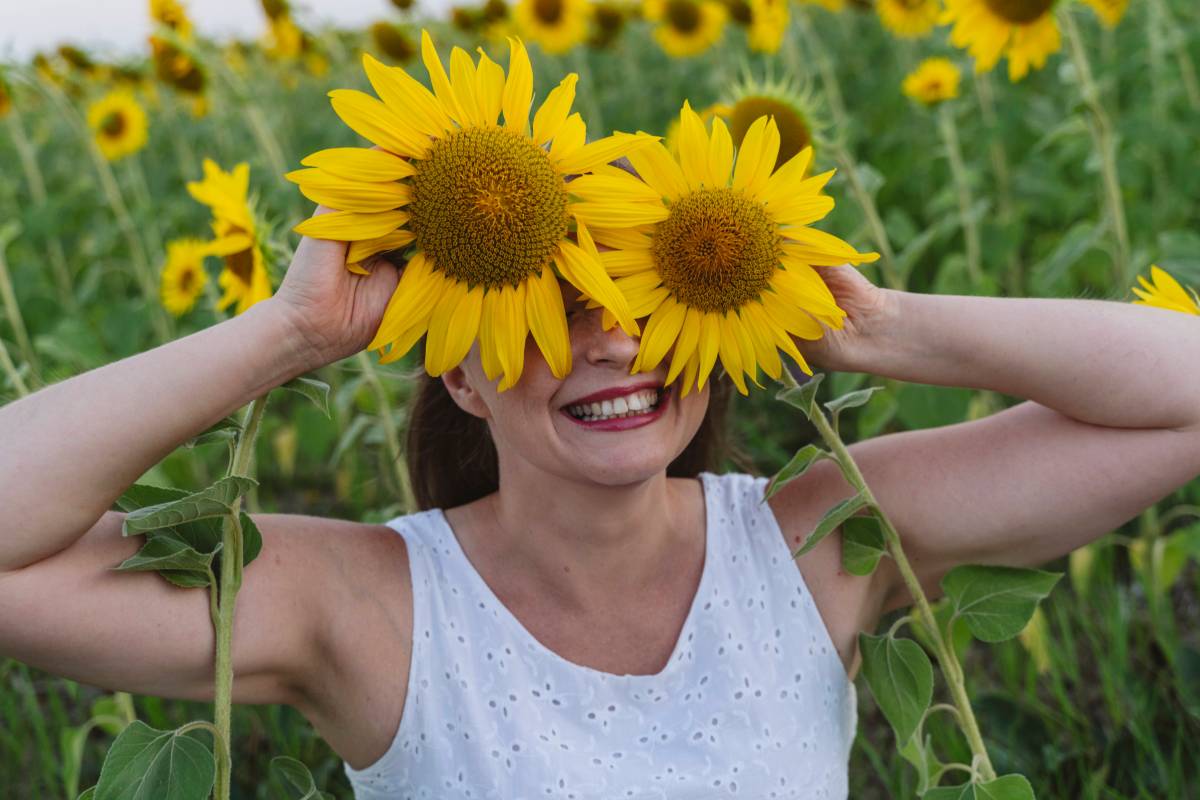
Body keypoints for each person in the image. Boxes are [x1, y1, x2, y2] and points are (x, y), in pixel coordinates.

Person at [2, 207, 1199, 799]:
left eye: (649, 296)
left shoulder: (817, 538)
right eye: (553, 307)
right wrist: (291, 332)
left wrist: (877, 327)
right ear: (460, 372)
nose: (618, 340)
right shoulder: (365, 603)